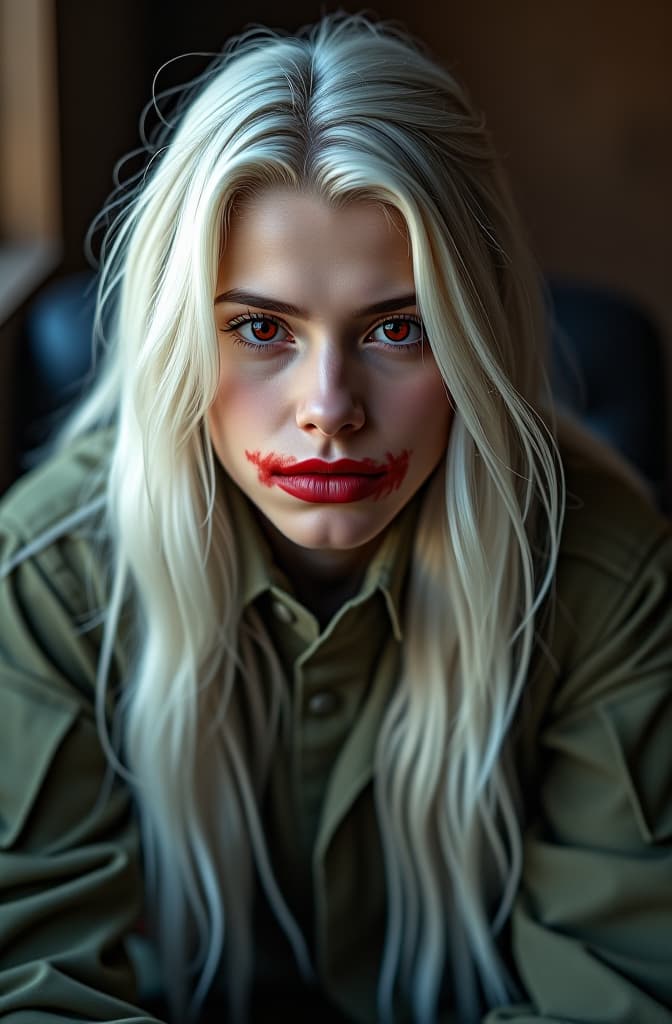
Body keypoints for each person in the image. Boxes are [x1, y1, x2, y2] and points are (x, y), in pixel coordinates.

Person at [0, 13, 670, 1024]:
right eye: (261, 328)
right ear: (176, 336)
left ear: (474, 337)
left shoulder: (606, 581)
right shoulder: (46, 577)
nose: (329, 405)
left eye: (398, 328)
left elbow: (615, 992)